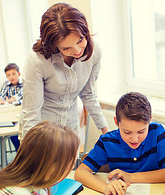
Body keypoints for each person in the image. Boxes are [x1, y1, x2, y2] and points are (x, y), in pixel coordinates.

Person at [20, 3, 108, 140]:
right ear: (53, 46)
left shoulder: (94, 52)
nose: (78, 51)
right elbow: (31, 112)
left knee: (70, 162)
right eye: (66, 48)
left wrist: (105, 131)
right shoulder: (37, 60)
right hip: (43, 129)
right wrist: (31, 150)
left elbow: (88, 93)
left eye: (80, 40)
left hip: (70, 127)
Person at [74, 92, 165, 195]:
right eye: (127, 132)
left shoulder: (156, 132)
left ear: (150, 120)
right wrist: (106, 188)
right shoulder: (107, 141)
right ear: (116, 122)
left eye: (141, 131)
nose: (134, 139)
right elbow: (80, 173)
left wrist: (130, 177)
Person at [0, 63, 23, 150]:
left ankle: (23, 150)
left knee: (21, 130)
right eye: (8, 75)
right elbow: (2, 95)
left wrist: (13, 99)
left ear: (18, 74)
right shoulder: (6, 84)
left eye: (13, 74)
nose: (11, 77)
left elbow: (21, 96)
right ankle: (18, 150)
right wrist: (1, 100)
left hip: (21, 111)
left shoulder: (24, 83)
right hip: (9, 113)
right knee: (11, 131)